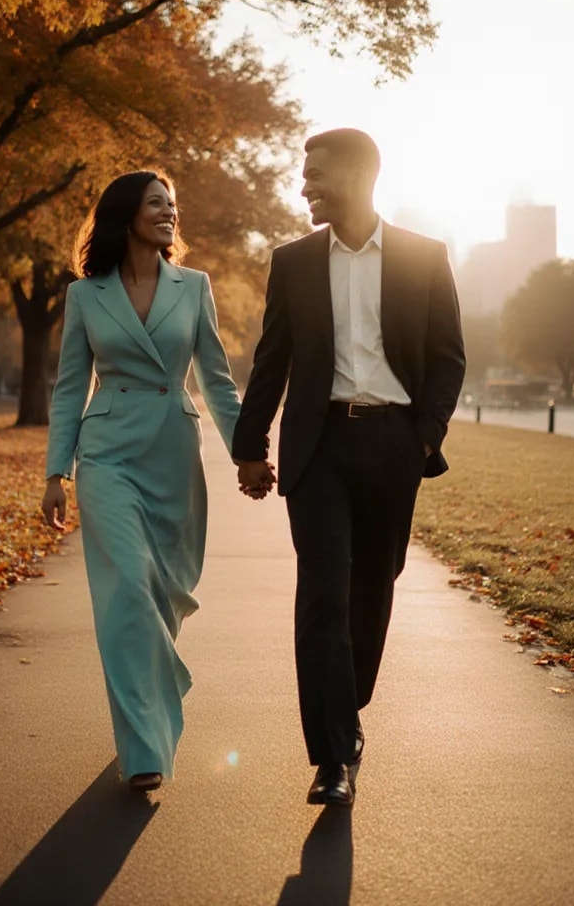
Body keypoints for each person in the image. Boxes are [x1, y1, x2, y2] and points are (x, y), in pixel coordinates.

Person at [232, 129, 466, 807]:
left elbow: (449, 357)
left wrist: (423, 439)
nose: (304, 186)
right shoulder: (295, 261)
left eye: (316, 175)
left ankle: (347, 706)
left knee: (374, 588)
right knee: (323, 595)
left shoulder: (425, 257)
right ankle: (332, 756)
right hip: (320, 448)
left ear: (361, 177)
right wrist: (252, 446)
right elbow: (270, 358)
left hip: (394, 445)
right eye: (303, 176)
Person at [41, 170, 245, 792]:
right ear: (126, 214)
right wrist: (57, 469)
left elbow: (215, 379)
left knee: (163, 596)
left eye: (172, 205)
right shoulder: (85, 295)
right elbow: (71, 386)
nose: (169, 213)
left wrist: (248, 452)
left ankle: (152, 699)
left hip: (172, 454)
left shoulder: (195, 286)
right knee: (126, 590)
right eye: (157, 203)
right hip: (106, 454)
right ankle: (143, 750)